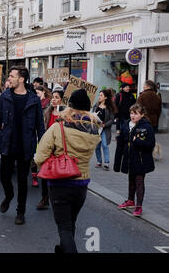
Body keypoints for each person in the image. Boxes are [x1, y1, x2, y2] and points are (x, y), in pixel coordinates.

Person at [34, 89, 101, 253]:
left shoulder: (59, 128)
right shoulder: (94, 130)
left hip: (60, 183)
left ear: (70, 106)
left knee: (63, 228)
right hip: (82, 183)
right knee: (70, 223)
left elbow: (40, 156)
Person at [0, 66, 45, 225]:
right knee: (5, 177)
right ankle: (9, 195)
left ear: (21, 79)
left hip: (26, 145)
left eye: (12, 76)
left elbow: (40, 124)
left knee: (22, 180)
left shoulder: (34, 99)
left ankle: (21, 212)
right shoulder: (5, 96)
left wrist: (44, 146)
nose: (9, 79)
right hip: (7, 143)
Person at [114, 103, 155, 217]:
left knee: (139, 181)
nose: (133, 116)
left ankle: (139, 206)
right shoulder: (126, 124)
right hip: (129, 158)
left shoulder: (146, 126)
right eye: (131, 113)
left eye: (135, 114)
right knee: (131, 180)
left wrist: (137, 141)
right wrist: (117, 162)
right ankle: (130, 201)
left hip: (141, 159)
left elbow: (151, 144)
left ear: (142, 115)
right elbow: (120, 144)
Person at [33, 87, 64, 210]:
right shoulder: (47, 112)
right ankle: (44, 198)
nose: (54, 100)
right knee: (45, 173)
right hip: (48, 147)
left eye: (57, 98)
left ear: (62, 100)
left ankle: (58, 199)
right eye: (53, 97)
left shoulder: (65, 114)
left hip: (59, 149)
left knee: (58, 175)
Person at [92, 89, 118, 171]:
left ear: (105, 97)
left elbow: (111, 119)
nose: (99, 97)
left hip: (104, 129)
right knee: (97, 146)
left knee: (104, 145)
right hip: (96, 129)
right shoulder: (96, 105)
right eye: (99, 95)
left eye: (101, 95)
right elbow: (92, 115)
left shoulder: (109, 107)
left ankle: (106, 162)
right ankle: (99, 161)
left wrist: (105, 124)